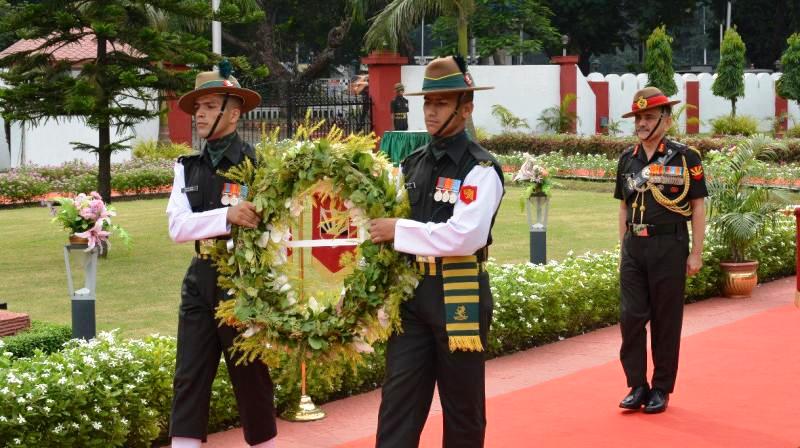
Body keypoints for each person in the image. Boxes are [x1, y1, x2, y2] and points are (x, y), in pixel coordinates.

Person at [369, 56, 504, 447]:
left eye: (441, 103)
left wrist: (399, 230)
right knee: (398, 402)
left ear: (466, 108)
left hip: (457, 290)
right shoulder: (413, 164)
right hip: (413, 293)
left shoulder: (479, 168)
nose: (431, 111)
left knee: (461, 407)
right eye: (428, 103)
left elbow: (465, 236)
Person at [166, 63, 277, 448]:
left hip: (243, 279)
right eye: (198, 107)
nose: (199, 113)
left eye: (210, 106)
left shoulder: (258, 166)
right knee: (189, 375)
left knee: (251, 374)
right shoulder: (187, 167)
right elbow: (178, 228)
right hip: (200, 278)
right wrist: (226, 216)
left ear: (234, 112)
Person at [614, 86, 707, 414]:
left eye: (649, 117)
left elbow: (697, 206)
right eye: (638, 117)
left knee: (667, 320)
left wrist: (696, 252)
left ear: (665, 121)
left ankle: (661, 388)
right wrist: (622, 247)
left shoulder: (685, 157)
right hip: (635, 247)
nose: (641, 123)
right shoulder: (628, 158)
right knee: (631, 317)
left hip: (670, 245)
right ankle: (636, 384)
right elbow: (624, 207)